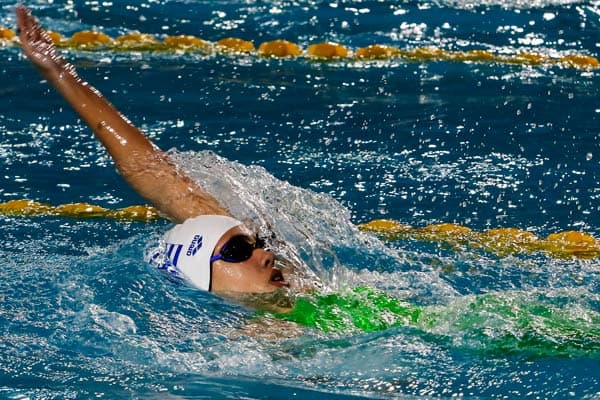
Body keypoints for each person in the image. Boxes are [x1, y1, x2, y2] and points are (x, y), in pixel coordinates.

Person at [16, 5, 290, 297]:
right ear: (201, 278)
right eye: (236, 251)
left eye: (259, 243)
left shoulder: (299, 289)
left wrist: (59, 71)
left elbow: (152, 171)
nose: (267, 255)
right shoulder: (252, 339)